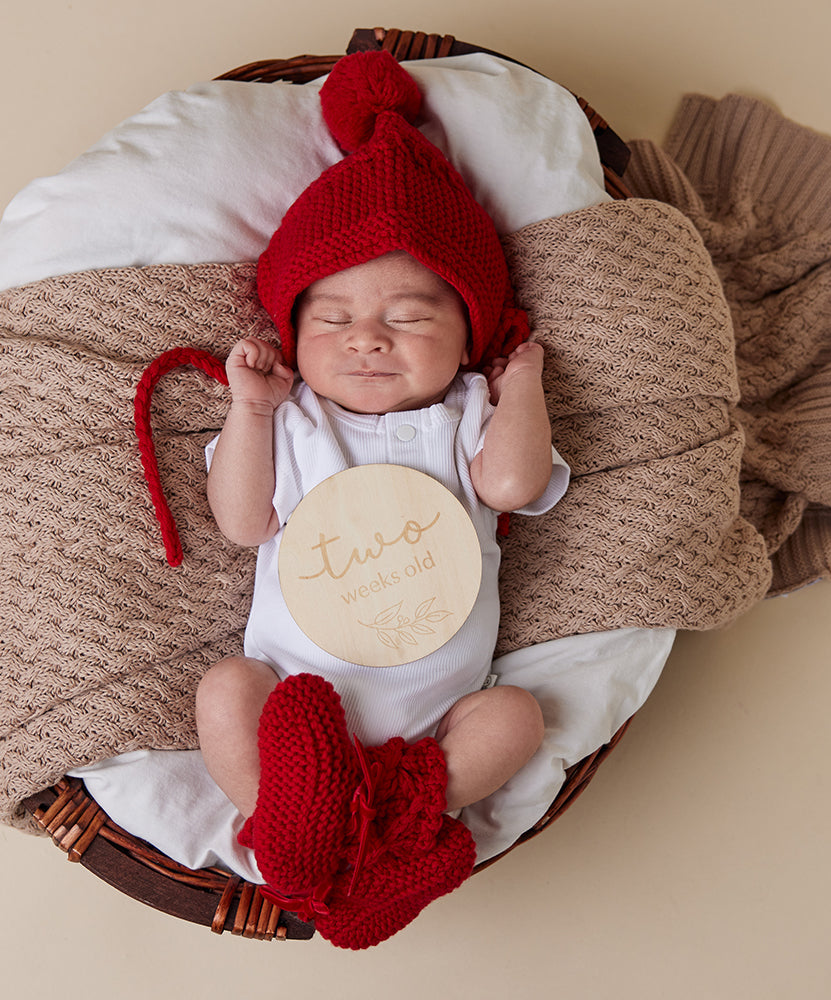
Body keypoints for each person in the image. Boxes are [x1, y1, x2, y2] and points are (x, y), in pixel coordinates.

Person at [139, 50, 569, 948]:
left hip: (435, 717)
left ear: (469, 336)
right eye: (333, 319)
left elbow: (514, 484)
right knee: (226, 691)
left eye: (410, 316)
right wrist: (251, 412)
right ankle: (287, 824)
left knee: (516, 719)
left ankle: (402, 821)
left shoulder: (464, 416)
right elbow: (241, 520)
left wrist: (521, 383)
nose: (368, 339)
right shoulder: (296, 423)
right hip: (294, 695)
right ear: (295, 335)